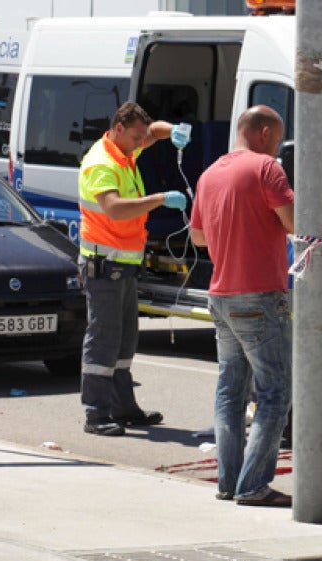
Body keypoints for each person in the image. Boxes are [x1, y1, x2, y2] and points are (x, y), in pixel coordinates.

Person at [189, 105, 295, 507]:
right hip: (261, 294)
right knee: (273, 392)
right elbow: (293, 221)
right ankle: (252, 485)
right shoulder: (267, 169)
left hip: (221, 294)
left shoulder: (209, 173)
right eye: (278, 139)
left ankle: (229, 481)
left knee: (229, 391)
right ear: (264, 132)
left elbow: (199, 238)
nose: (278, 148)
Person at [79, 101, 187, 436]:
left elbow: (153, 131)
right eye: (137, 137)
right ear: (119, 128)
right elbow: (114, 208)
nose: (143, 143)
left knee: (125, 342)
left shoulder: (126, 151)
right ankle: (96, 415)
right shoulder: (102, 163)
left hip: (123, 264)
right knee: (103, 341)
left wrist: (175, 131)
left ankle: (123, 408)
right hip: (104, 265)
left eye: (143, 138)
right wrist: (160, 199)